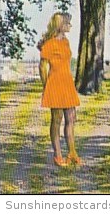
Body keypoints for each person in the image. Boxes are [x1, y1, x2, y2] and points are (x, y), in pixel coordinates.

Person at [38, 12, 81, 167]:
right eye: (68, 23)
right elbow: (42, 67)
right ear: (61, 25)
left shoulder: (66, 42)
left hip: (67, 83)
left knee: (71, 117)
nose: (70, 25)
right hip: (55, 84)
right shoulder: (49, 44)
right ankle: (57, 155)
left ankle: (72, 153)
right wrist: (46, 87)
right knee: (56, 120)